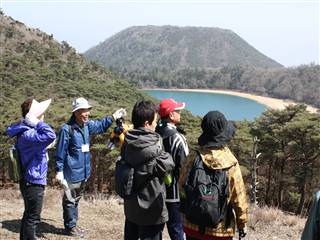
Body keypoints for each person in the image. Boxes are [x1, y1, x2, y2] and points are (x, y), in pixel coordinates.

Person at [55, 97, 126, 237]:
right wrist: (59, 170)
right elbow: (60, 151)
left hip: (83, 172)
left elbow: (100, 126)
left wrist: (113, 117)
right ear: (75, 112)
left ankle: (73, 224)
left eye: (87, 110)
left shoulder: (86, 125)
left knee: (76, 199)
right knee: (70, 200)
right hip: (72, 172)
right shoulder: (67, 129)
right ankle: (70, 227)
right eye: (83, 111)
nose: (87, 113)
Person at [180, 111, 248, 240]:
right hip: (220, 229)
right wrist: (242, 224)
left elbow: (181, 187)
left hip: (192, 225)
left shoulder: (193, 157)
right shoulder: (230, 162)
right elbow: (239, 199)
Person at [121, 100, 175, 240]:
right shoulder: (153, 144)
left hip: (131, 207)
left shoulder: (127, 141)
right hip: (151, 209)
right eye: (155, 121)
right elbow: (168, 164)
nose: (156, 124)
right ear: (146, 124)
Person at [7, 98, 56, 240]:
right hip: (33, 181)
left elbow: (47, 139)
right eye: (41, 114)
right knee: (33, 217)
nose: (43, 116)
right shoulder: (29, 134)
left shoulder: (27, 132)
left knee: (29, 214)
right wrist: (38, 123)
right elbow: (50, 135)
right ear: (33, 116)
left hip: (30, 180)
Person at [156, 98, 189, 240]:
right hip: (174, 193)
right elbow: (185, 169)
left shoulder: (154, 133)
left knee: (154, 231)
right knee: (176, 231)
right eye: (177, 111)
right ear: (171, 115)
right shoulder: (177, 138)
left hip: (155, 191)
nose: (180, 113)